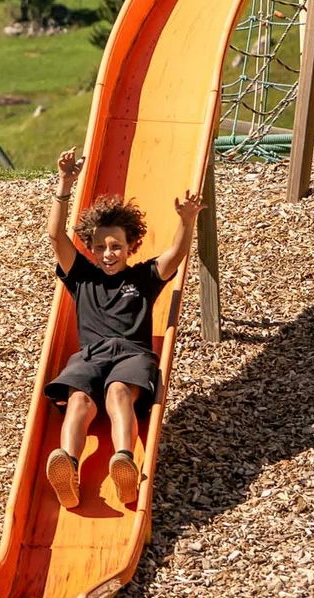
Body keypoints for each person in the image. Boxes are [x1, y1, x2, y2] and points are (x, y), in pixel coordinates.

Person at [42, 146, 200, 510]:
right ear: (92, 250)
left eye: (116, 246)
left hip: (133, 356)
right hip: (91, 357)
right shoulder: (82, 276)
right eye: (100, 247)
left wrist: (187, 221)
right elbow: (55, 236)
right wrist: (65, 184)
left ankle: (124, 460)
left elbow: (175, 255)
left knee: (117, 392)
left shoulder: (142, 277)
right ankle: (68, 463)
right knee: (79, 398)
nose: (108, 253)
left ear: (132, 247)